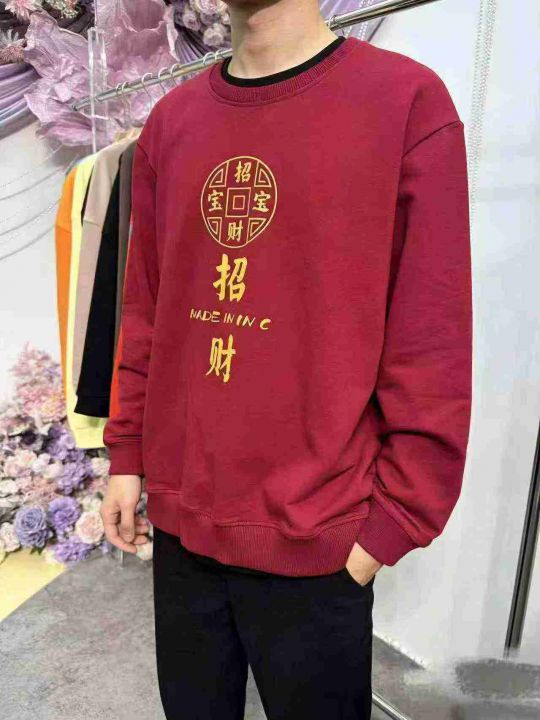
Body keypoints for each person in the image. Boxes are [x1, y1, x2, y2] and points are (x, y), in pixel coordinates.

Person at [100, 0, 473, 717]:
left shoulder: (403, 103)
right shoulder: (172, 122)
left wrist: (389, 526)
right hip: (182, 523)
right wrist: (128, 456)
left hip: (319, 540)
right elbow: (147, 310)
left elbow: (431, 335)